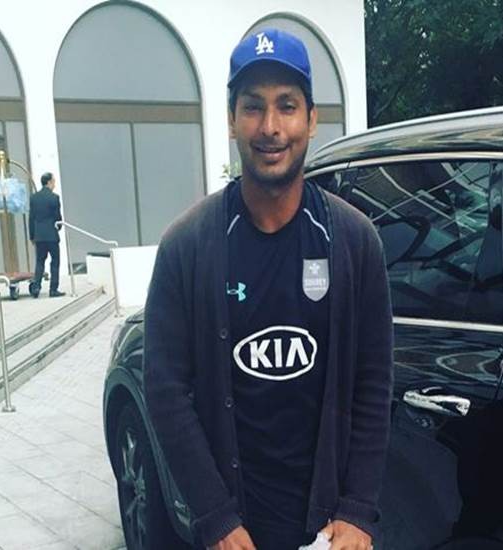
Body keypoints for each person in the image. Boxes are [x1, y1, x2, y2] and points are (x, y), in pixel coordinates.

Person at [144, 28, 393, 550]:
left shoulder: (353, 241)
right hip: (235, 533)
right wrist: (215, 518)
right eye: (253, 107)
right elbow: (166, 391)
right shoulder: (187, 247)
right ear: (232, 119)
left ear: (312, 119)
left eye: (287, 106)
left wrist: (358, 511)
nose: (271, 127)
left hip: (327, 532)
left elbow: (373, 383)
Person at [29, 172, 65, 298]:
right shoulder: (54, 198)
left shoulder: (34, 198)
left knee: (40, 261)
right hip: (51, 235)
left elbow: (31, 218)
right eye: (54, 181)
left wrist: (32, 235)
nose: (54, 184)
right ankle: (53, 289)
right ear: (49, 182)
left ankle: (36, 287)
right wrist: (58, 227)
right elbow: (57, 217)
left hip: (39, 236)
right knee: (55, 261)